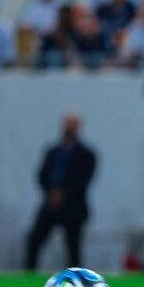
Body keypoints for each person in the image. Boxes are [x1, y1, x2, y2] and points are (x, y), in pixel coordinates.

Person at [25, 114, 97, 270]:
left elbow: (83, 179)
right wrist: (51, 192)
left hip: (73, 207)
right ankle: (29, 274)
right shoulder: (52, 152)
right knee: (34, 240)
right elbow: (42, 175)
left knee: (73, 248)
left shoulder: (87, 155)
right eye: (66, 125)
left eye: (72, 125)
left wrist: (64, 193)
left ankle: (74, 279)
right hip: (50, 204)